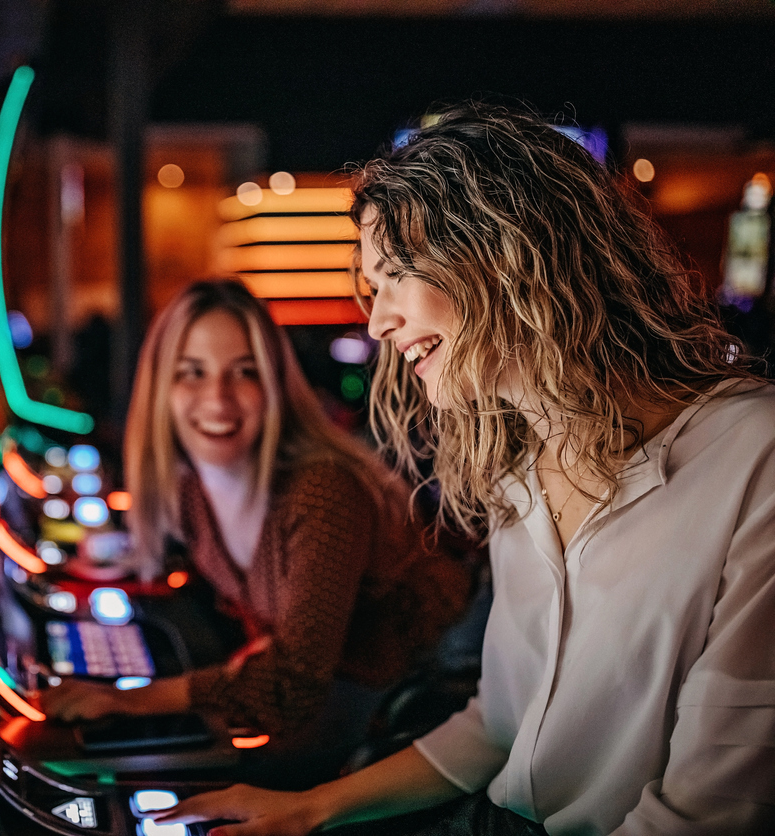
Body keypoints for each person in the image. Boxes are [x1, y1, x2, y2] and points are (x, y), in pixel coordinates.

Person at [155, 105, 775, 836]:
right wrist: (312, 810)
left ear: (503, 254)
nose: (377, 322)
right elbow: (499, 728)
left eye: (393, 277)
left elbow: (709, 815)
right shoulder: (516, 469)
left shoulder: (751, 456)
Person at [41, 280, 470, 779]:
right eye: (192, 372)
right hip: (354, 698)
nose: (217, 399)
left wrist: (130, 700)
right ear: (162, 388)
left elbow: (294, 683)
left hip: (429, 705)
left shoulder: (322, 492)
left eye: (243, 372)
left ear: (273, 385)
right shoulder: (189, 497)